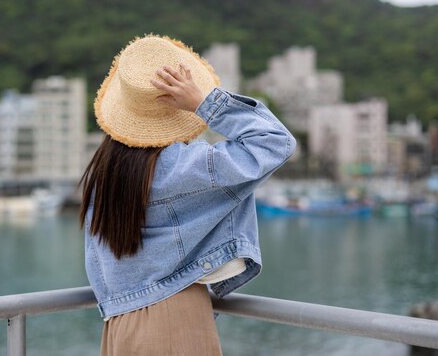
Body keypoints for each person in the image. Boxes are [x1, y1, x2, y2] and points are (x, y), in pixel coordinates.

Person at [79, 35, 296, 355]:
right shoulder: (182, 166)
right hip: (173, 317)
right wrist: (203, 102)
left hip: (120, 325)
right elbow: (275, 141)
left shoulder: (104, 173)